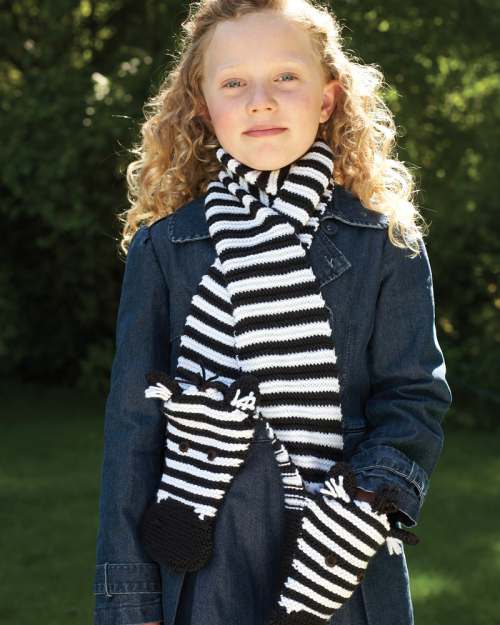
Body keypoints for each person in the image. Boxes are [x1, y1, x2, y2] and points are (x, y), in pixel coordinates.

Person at [92, 1, 453, 624]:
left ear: (327, 99)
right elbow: (133, 433)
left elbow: (413, 398)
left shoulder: (384, 244)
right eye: (234, 83)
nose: (260, 101)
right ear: (203, 106)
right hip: (202, 567)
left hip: (339, 569)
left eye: (286, 76)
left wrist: (362, 504)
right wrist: (131, 603)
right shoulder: (165, 248)